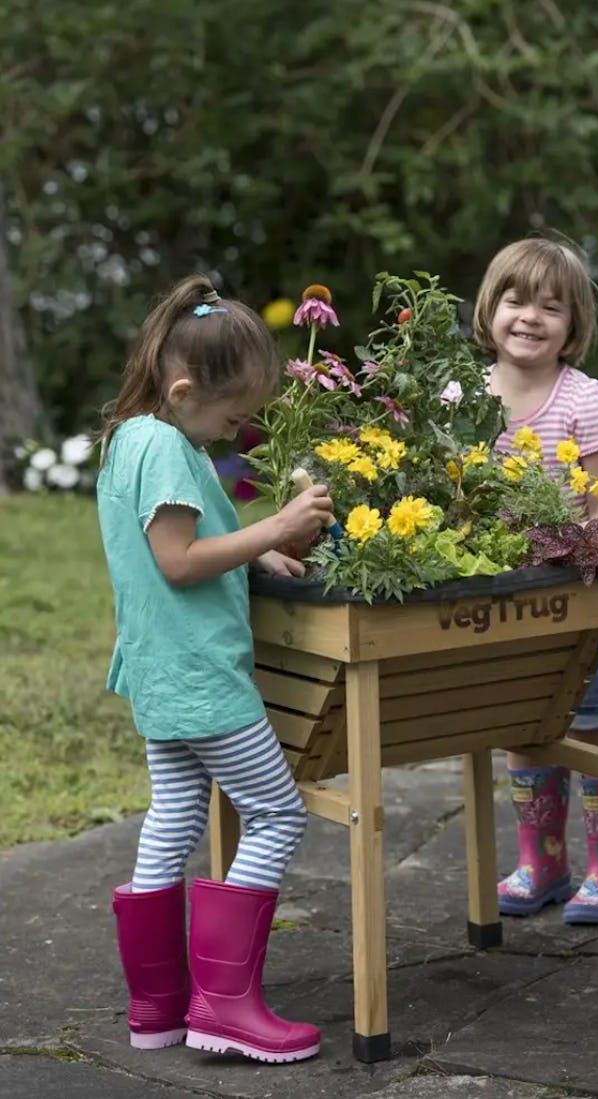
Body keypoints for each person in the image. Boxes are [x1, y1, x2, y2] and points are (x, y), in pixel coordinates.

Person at [97, 274, 334, 1061]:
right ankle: (225, 1007)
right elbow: (178, 560)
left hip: (161, 673)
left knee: (173, 816)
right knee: (275, 813)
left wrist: (257, 546)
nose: (240, 428)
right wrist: (278, 522)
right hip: (202, 678)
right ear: (184, 386)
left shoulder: (136, 436)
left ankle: (159, 1007)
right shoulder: (169, 445)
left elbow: (178, 543)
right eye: (233, 414)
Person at [473, 238, 598, 923]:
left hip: (575, 596)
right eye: (515, 299)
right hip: (501, 598)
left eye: (550, 306)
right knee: (524, 726)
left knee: (592, 727)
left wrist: (566, 547)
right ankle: (543, 863)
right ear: (490, 307)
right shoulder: (470, 396)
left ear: (573, 322)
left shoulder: (583, 398)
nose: (530, 317)